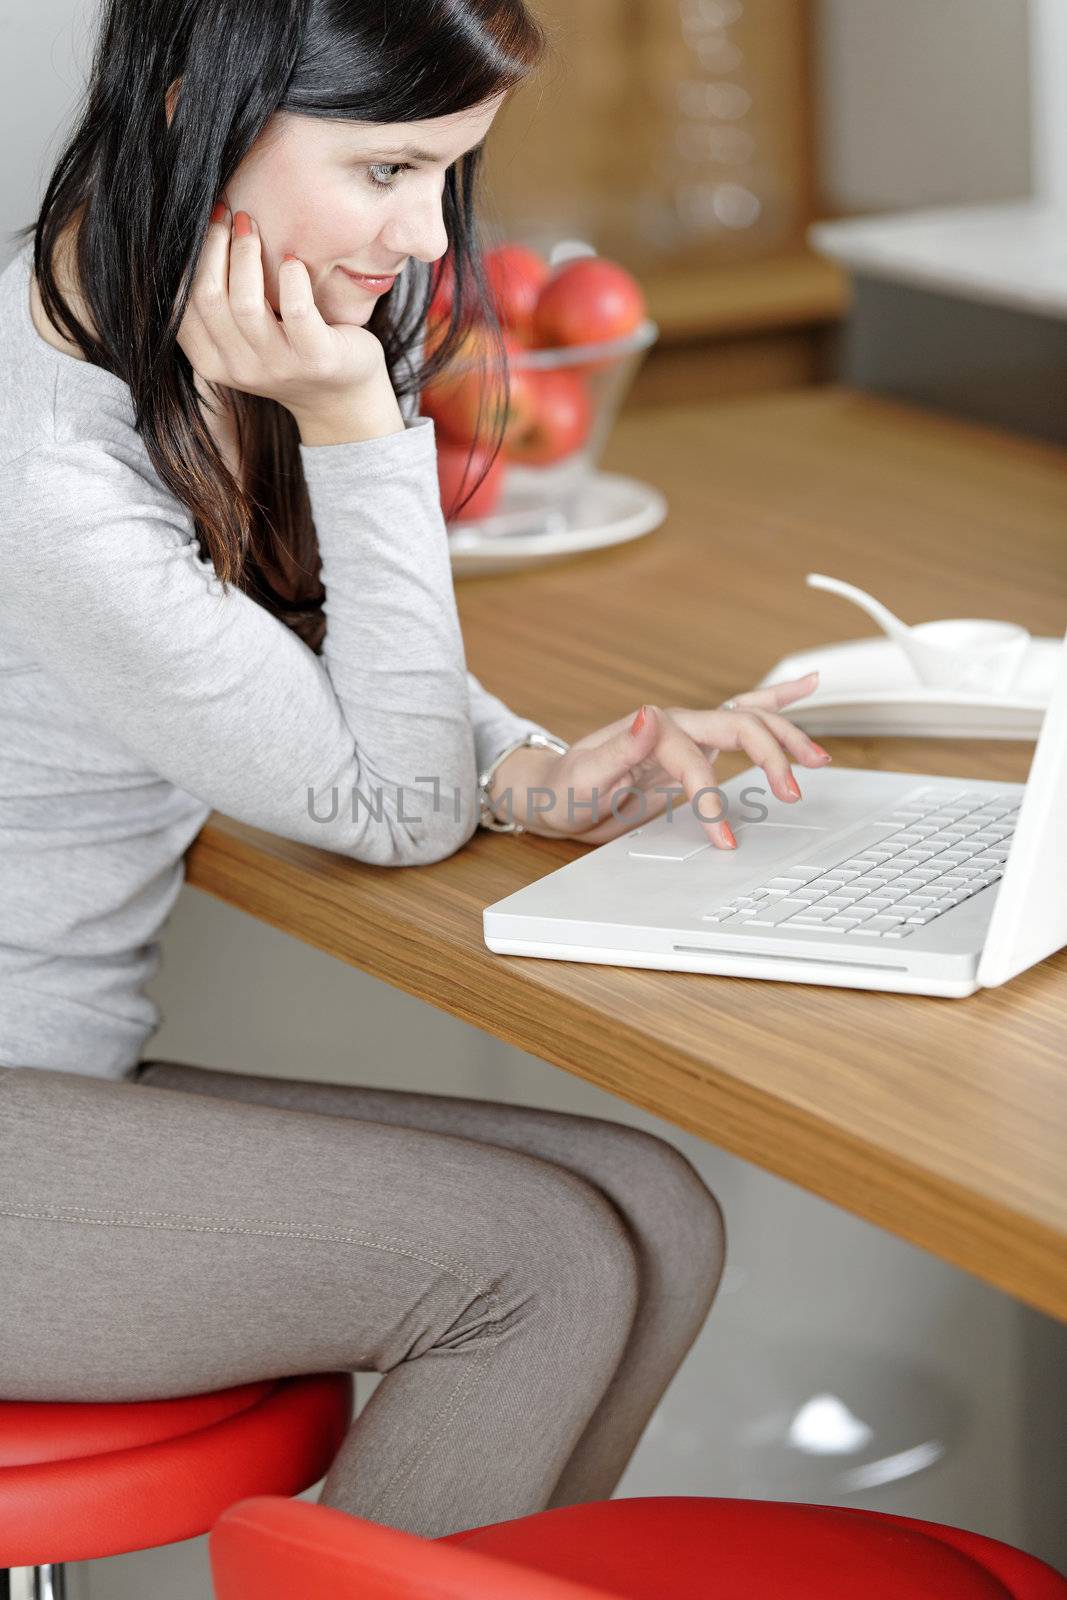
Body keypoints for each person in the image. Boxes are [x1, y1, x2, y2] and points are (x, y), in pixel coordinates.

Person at [0, 0, 831, 1539]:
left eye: (452, 174)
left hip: (46, 1082)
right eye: (388, 169)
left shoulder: (136, 320)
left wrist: (527, 767)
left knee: (650, 1216)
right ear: (195, 111)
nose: (432, 236)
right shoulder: (47, 476)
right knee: (540, 1265)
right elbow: (386, 809)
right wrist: (353, 420)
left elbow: (292, 652)